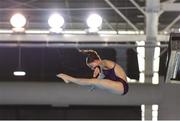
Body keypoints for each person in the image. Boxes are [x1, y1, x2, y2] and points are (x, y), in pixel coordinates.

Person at [57, 49, 129, 95]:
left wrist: (98, 67)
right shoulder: (102, 69)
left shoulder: (105, 62)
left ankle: (68, 78)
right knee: (94, 81)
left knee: (93, 81)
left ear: (96, 61)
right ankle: (69, 78)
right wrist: (94, 86)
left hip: (122, 85)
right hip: (117, 87)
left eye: (91, 66)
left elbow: (102, 63)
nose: (92, 68)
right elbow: (100, 79)